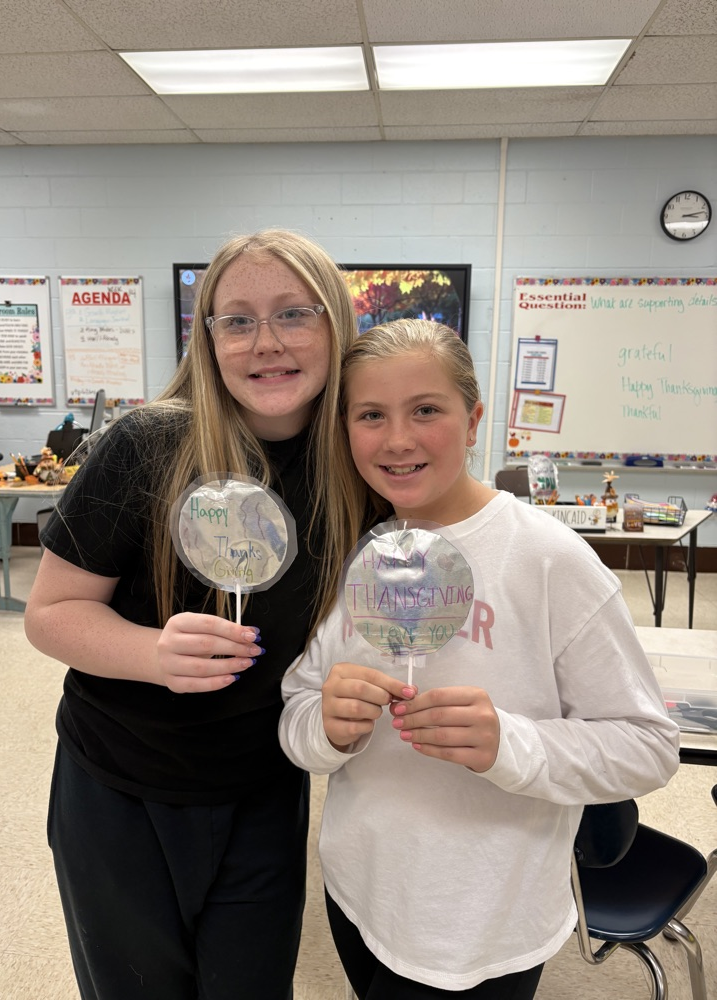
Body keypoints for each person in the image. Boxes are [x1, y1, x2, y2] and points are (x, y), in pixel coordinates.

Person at [279, 319, 680, 1000]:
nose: (398, 439)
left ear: (474, 421)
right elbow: (299, 712)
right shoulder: (357, 552)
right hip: (359, 891)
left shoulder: (548, 560)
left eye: (427, 410)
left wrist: (509, 742)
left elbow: (648, 747)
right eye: (371, 415)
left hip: (481, 925)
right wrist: (327, 725)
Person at [24, 229, 368, 1000]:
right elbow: (50, 613)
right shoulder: (146, 445)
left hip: (261, 786)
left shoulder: (357, 462)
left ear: (336, 326)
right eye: (236, 320)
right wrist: (151, 653)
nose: (265, 342)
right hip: (120, 783)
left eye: (293, 314)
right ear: (207, 338)